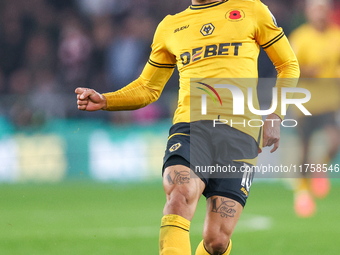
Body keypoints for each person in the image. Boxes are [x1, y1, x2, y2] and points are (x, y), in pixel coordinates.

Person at [76, 0, 299, 254]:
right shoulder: (171, 26)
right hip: (192, 128)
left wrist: (276, 115)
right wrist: (107, 100)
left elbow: (288, 64)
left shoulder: (252, 9)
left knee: (217, 241)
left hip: (240, 135)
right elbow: (148, 87)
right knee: (179, 196)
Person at [289, 0, 340, 218]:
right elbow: (288, 67)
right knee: (304, 148)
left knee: (334, 140)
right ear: (309, 13)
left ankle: (320, 167)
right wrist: (305, 70)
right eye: (316, 10)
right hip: (305, 102)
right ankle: (302, 192)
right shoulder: (300, 37)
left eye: (323, 10)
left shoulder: (336, 35)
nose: (320, 14)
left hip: (329, 100)